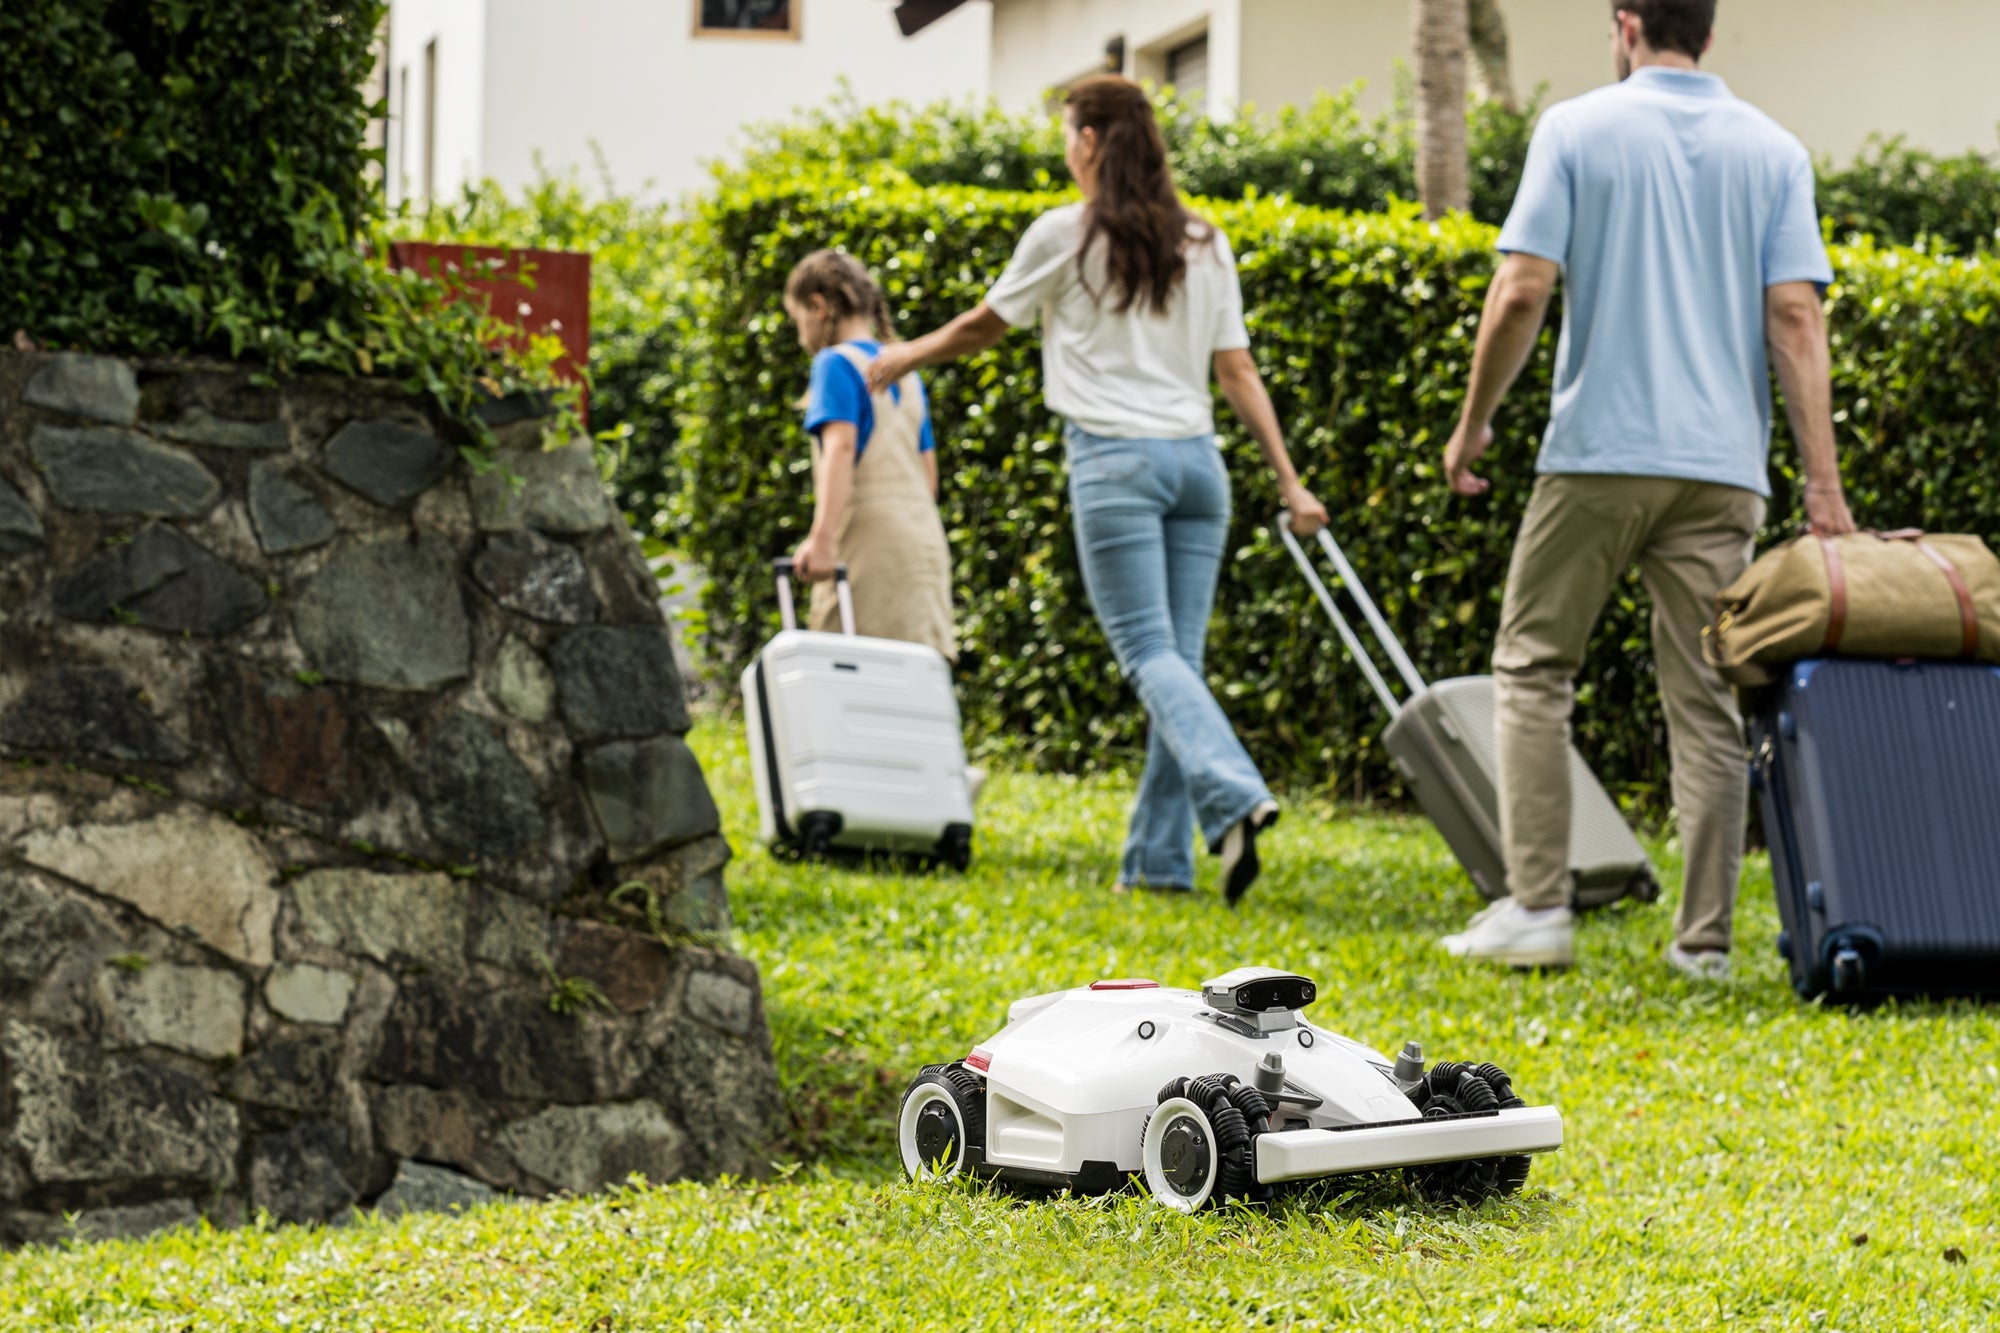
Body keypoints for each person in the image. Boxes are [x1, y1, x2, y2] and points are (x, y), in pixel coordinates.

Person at [1436, 0, 1857, 977]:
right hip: (1720, 472)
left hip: (1595, 453)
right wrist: (1823, 489)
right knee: (1706, 704)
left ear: (1622, 24)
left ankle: (1537, 905)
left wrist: (1471, 424)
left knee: (1534, 668)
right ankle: (1700, 943)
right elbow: (1794, 317)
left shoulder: (1575, 128)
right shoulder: (1773, 150)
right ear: (1704, 33)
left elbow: (1520, 289)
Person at [867, 75, 1330, 906]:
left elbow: (985, 325)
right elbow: (1238, 370)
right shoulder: (1205, 240)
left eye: (1066, 132)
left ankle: (1232, 791)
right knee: (1176, 663)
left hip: (1116, 464)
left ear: (1088, 141)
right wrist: (1290, 481)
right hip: (1198, 466)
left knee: (1148, 653)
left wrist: (905, 356)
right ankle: (1158, 861)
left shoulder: (1064, 234)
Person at [783, 249, 956, 665]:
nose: (799, 334)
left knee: (853, 676)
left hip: (868, 547)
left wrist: (822, 540)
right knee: (916, 676)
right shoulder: (907, 372)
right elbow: (927, 478)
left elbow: (840, 448)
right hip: (922, 546)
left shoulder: (835, 363)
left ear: (819, 306)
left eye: (797, 319)